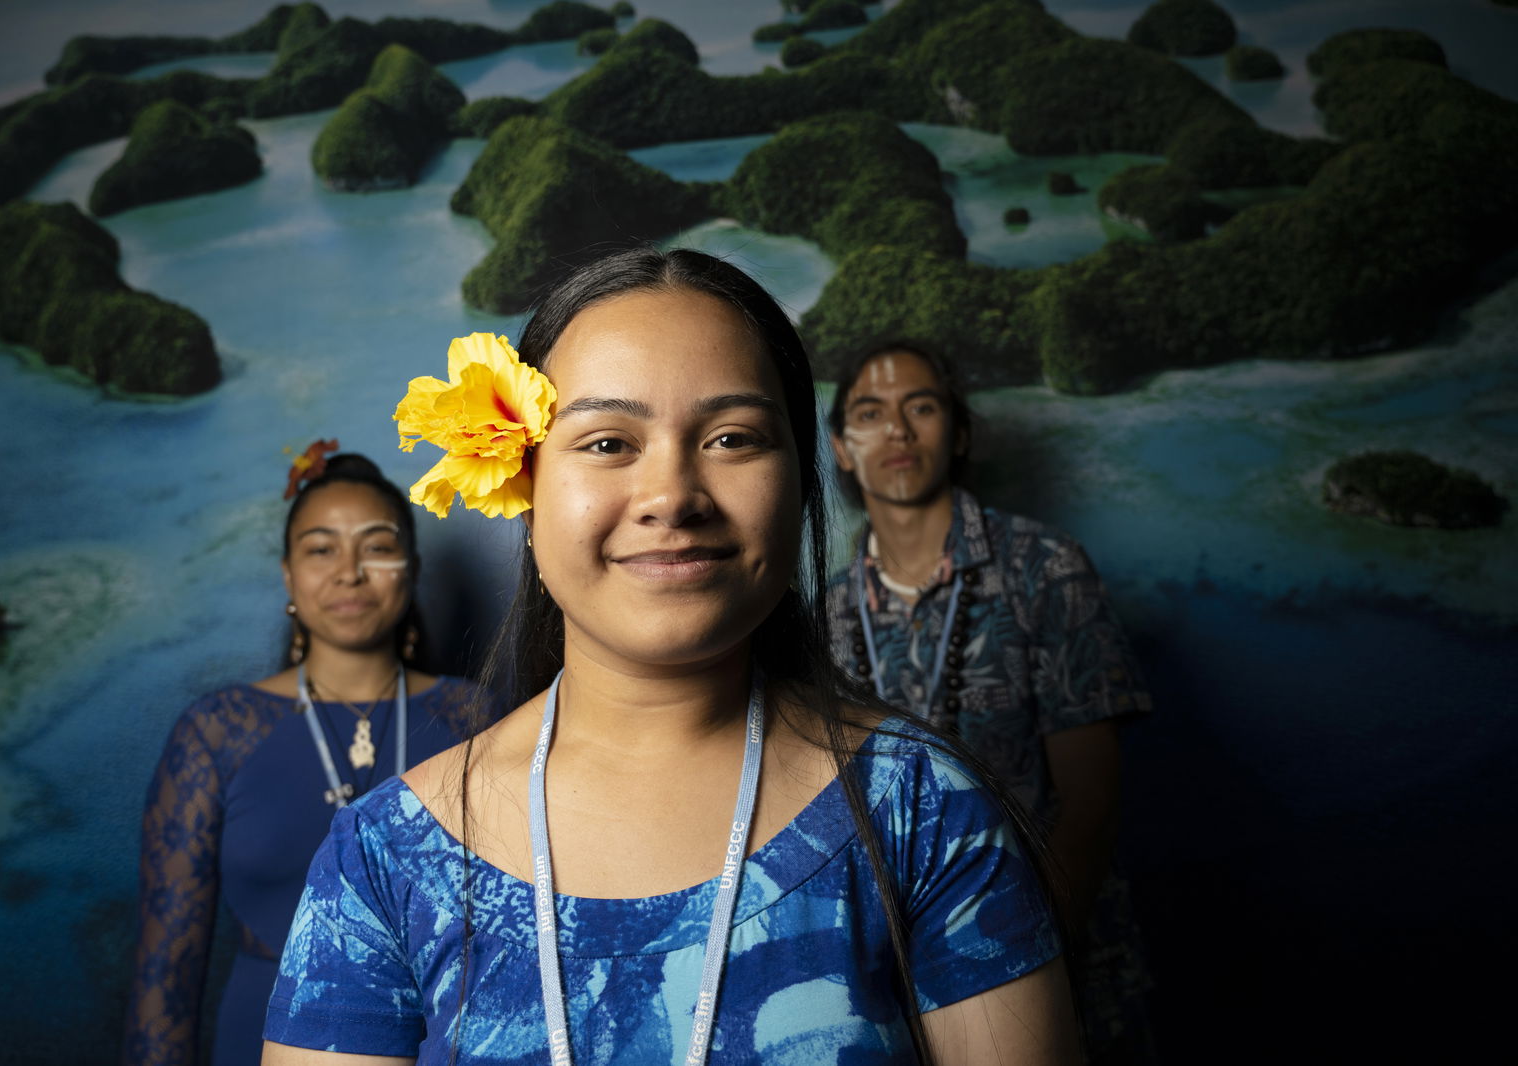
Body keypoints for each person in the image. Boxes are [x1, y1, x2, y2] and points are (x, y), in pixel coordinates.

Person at [261, 249, 1080, 1066]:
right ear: (521, 480)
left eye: (732, 437)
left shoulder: (925, 809)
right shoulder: (386, 857)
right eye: (609, 442)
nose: (671, 497)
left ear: (801, 481)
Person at [824, 343, 1155, 1064]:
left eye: (922, 407)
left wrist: (1012, 963)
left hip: (1064, 957)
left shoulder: (1045, 566)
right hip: (897, 985)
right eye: (870, 414)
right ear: (842, 448)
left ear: (960, 432)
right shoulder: (831, 614)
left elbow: (1091, 801)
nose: (899, 432)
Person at [124, 450, 476, 1066]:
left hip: (449, 1041)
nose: (349, 572)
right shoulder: (214, 733)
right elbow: (164, 982)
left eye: (375, 546)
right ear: (288, 574)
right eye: (321, 549)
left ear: (411, 567)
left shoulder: (479, 718)